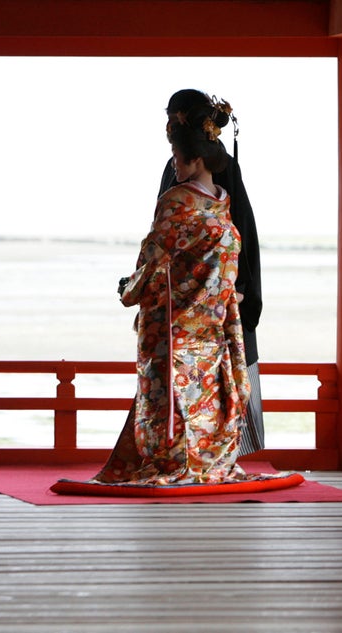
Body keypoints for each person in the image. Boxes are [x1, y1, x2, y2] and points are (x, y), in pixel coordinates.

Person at [92, 102, 252, 485]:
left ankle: (175, 462)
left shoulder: (176, 202)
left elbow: (151, 262)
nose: (174, 166)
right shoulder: (224, 207)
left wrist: (128, 291)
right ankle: (205, 461)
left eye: (178, 158)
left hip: (173, 326)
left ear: (196, 159)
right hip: (210, 323)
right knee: (204, 399)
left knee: (172, 399)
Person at [160, 89, 265, 457]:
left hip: (204, 296)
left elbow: (165, 247)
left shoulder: (199, 172)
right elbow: (243, 237)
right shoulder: (185, 168)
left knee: (200, 379)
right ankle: (211, 457)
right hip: (218, 292)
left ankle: (199, 457)